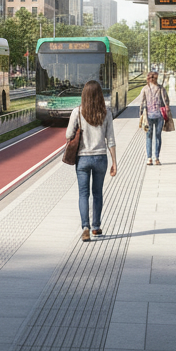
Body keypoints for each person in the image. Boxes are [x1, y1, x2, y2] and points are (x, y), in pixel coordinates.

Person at [67, 79, 117, 242]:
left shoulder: (77, 112)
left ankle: (85, 228)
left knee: (83, 194)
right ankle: (96, 226)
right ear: (100, 95)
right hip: (100, 158)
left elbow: (68, 134)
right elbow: (111, 139)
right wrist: (114, 162)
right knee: (97, 193)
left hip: (82, 158)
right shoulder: (106, 112)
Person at [139, 71, 169, 166]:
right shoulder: (161, 88)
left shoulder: (145, 89)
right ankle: (156, 158)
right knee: (157, 136)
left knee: (149, 136)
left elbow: (142, 103)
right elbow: (166, 101)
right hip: (159, 115)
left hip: (149, 116)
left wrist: (141, 114)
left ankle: (149, 158)